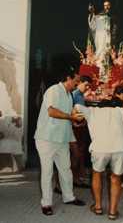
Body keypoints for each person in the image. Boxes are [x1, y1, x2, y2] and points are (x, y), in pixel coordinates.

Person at [34, 67, 86, 216]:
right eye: (75, 81)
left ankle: (69, 197)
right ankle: (46, 203)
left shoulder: (69, 95)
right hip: (46, 139)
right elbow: (51, 111)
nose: (76, 84)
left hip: (62, 139)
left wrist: (75, 123)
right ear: (68, 78)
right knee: (47, 172)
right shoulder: (53, 90)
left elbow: (67, 118)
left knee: (65, 169)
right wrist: (71, 118)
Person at [75, 101, 123, 220]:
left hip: (100, 147)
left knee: (97, 174)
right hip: (120, 147)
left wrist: (76, 121)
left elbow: (76, 107)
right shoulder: (119, 110)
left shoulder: (92, 110)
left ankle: (98, 207)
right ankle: (112, 212)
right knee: (116, 177)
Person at [88, 0, 119, 80]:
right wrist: (91, 13)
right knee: (100, 57)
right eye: (105, 5)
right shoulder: (99, 17)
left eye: (108, 5)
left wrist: (113, 40)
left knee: (108, 58)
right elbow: (92, 26)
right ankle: (100, 77)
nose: (107, 7)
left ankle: (106, 77)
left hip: (109, 42)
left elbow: (115, 31)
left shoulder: (113, 17)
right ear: (103, 6)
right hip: (100, 41)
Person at [71, 75, 92, 187]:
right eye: (86, 85)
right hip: (76, 126)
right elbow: (71, 110)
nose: (87, 88)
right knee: (77, 153)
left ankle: (80, 175)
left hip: (81, 125)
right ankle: (76, 177)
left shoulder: (81, 95)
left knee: (81, 151)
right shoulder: (74, 94)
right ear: (80, 83)